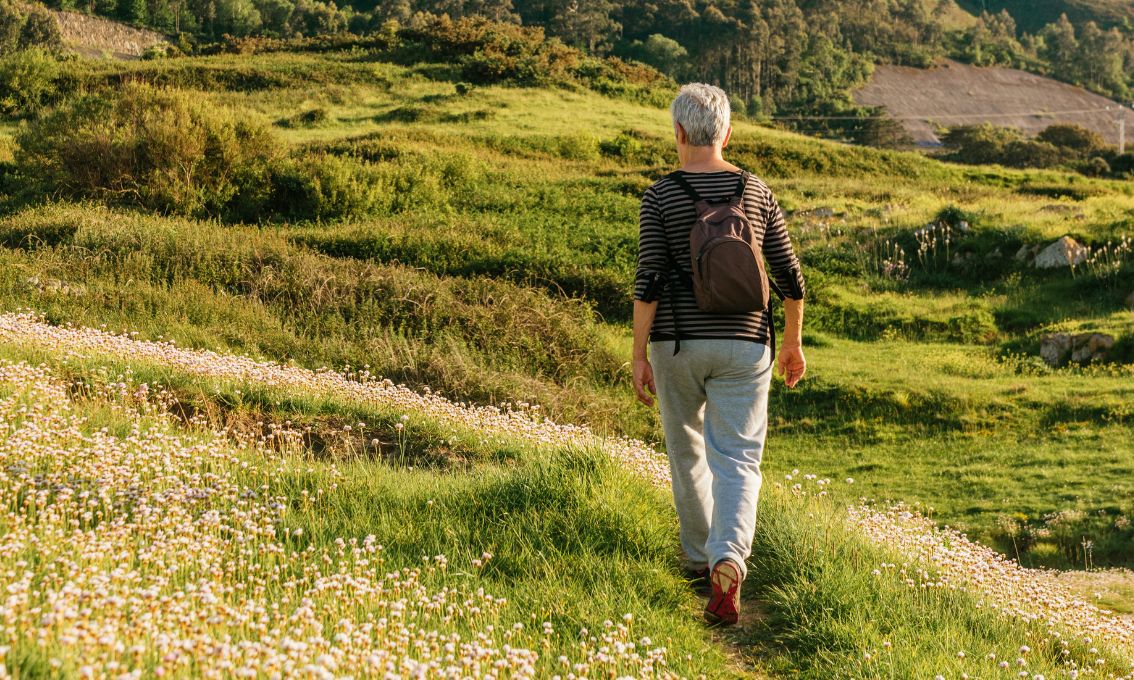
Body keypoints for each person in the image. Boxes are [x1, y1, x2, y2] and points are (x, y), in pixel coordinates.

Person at [631, 83, 807, 626]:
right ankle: (729, 557)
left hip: (677, 343)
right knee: (737, 458)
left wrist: (639, 354)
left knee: (686, 453)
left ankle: (697, 560)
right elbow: (790, 278)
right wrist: (794, 344)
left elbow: (649, 281)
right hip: (745, 342)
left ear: (678, 133)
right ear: (727, 132)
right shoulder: (756, 191)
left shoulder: (659, 197)